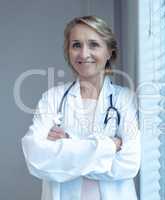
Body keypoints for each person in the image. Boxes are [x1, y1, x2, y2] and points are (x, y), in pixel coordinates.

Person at [21, 16, 140, 200]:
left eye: (93, 44)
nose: (84, 54)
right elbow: (36, 158)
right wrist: (110, 145)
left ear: (109, 52)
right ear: (68, 51)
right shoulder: (52, 98)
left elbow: (129, 163)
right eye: (76, 45)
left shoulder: (124, 99)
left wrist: (68, 146)